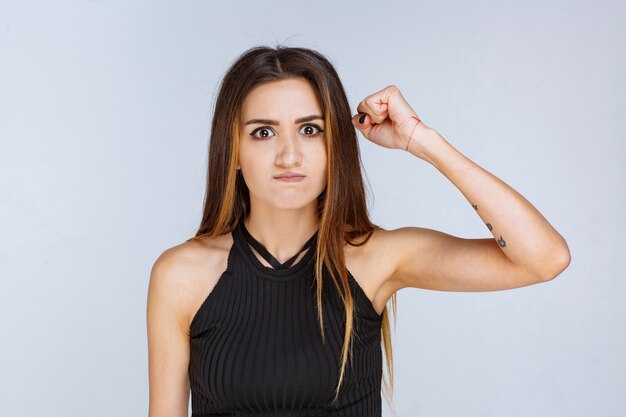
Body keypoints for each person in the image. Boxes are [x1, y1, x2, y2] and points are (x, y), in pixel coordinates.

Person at [146, 45, 571, 417]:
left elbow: (544, 258)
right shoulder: (182, 275)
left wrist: (421, 140)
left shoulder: (375, 259)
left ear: (336, 146)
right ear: (234, 151)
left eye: (310, 130)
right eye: (263, 132)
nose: (289, 155)